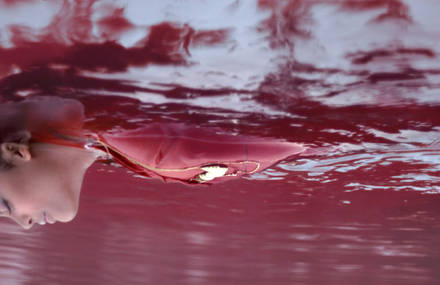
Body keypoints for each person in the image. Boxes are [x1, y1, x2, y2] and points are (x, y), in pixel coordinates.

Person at [0, 97, 306, 229]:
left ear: (14, 152)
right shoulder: (120, 144)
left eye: (5, 206)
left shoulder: (161, 151)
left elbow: (302, 140)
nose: (25, 224)